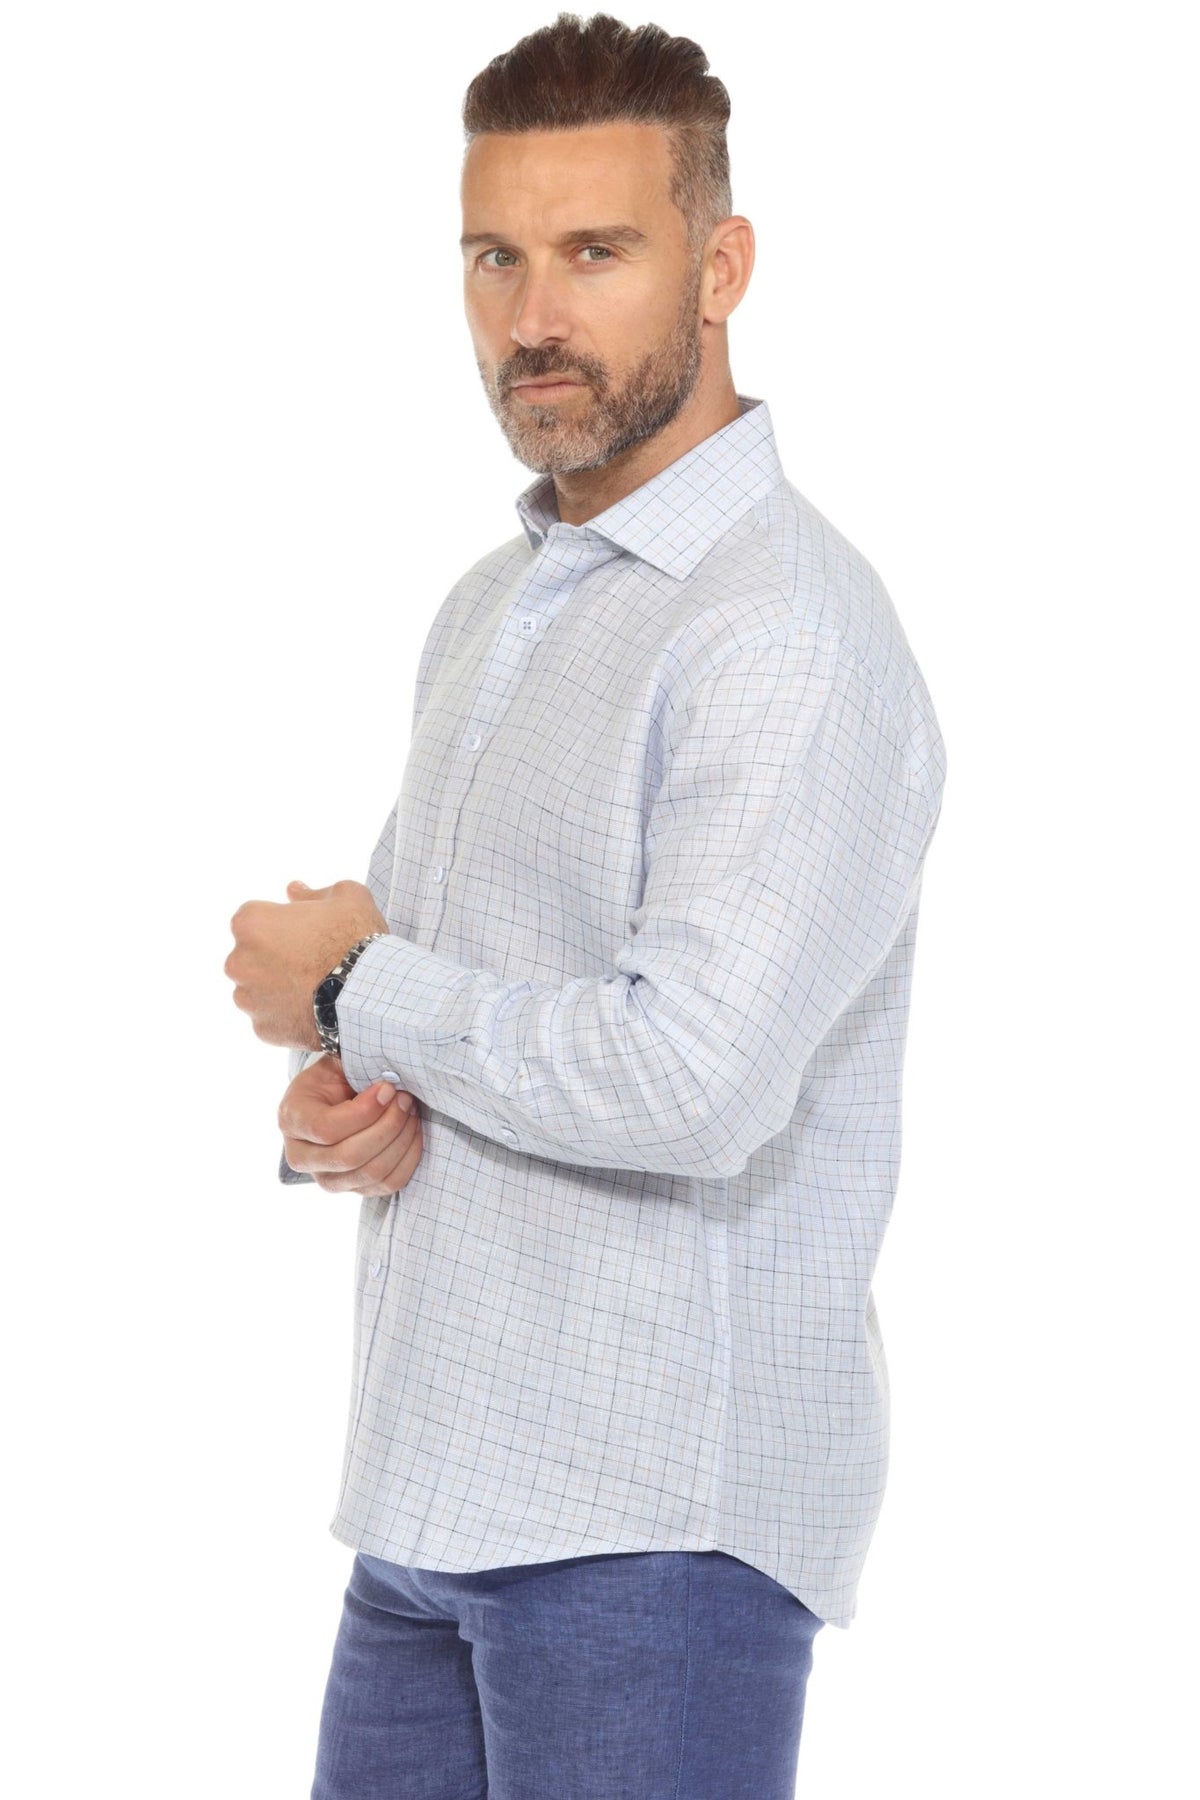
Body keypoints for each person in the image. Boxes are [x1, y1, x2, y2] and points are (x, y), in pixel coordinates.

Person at [225, 12, 947, 1797]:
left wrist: (356, 993)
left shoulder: (784, 631)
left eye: (597, 253)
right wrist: (342, 1104)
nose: (533, 316)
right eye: (495, 257)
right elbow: (455, 999)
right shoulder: (500, 598)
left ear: (723, 268)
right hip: (426, 1500)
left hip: (651, 1537)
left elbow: (691, 1079)